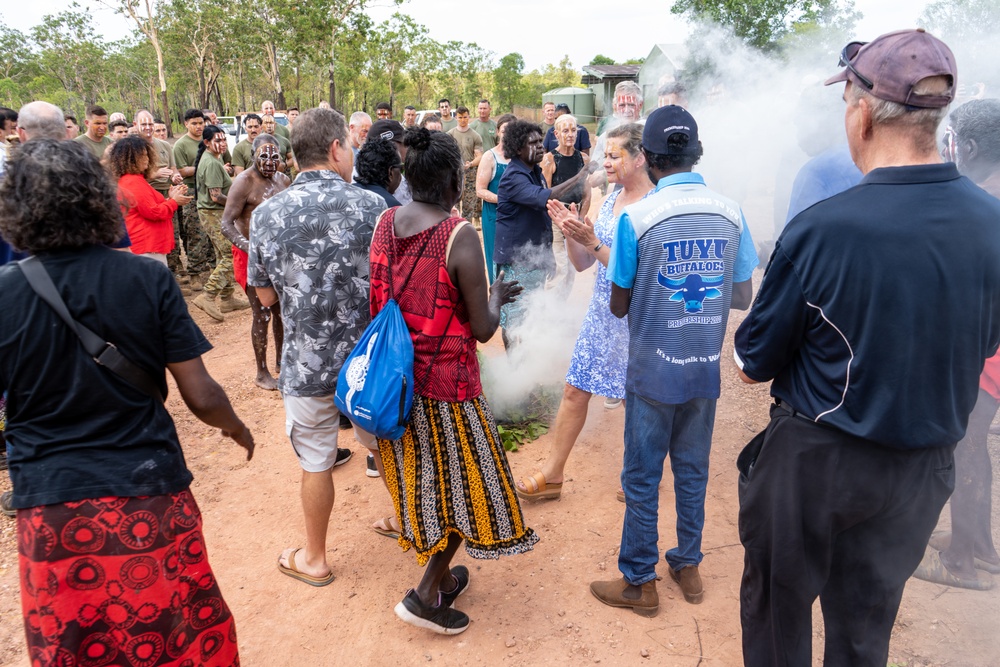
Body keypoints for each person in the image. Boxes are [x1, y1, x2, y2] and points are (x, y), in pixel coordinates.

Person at [733, 30, 1000, 665]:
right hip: (923, 467)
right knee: (864, 632)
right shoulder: (992, 224)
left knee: (777, 622)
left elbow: (751, 363)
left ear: (859, 111)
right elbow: (982, 341)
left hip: (820, 465)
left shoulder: (824, 230)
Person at [0, 138, 254, 665]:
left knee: (77, 647)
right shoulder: (147, 277)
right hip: (149, 492)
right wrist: (235, 427)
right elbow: (200, 392)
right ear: (99, 197)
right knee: (178, 633)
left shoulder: (5, 292)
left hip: (51, 505)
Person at [591, 105, 757, 616]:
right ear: (697, 153)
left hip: (651, 368)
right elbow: (742, 295)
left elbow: (619, 304)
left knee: (641, 475)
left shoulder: (635, 218)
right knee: (693, 470)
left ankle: (639, 582)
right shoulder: (730, 212)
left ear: (648, 157)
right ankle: (687, 563)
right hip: (702, 365)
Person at [370, 127, 538, 635]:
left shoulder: (383, 221)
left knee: (427, 488)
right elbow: (484, 329)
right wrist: (496, 298)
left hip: (395, 388)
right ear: (450, 179)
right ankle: (424, 596)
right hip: (447, 390)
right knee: (467, 490)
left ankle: (438, 580)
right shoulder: (458, 235)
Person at [247, 107, 383, 587]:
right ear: (335, 149)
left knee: (316, 460)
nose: (352, 153)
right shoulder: (373, 208)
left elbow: (264, 297)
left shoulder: (265, 215)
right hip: (370, 364)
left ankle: (315, 559)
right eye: (350, 144)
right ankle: (407, 524)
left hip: (306, 364)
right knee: (385, 448)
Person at [516, 122, 652, 501]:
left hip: (636, 319)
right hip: (602, 314)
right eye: (604, 155)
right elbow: (582, 265)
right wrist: (575, 234)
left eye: (613, 155)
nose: (604, 162)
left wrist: (592, 242)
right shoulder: (610, 199)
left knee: (635, 400)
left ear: (640, 158)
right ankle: (553, 474)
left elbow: (639, 273)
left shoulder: (653, 207)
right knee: (575, 390)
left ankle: (639, 477)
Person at [912, 97, 1000, 590]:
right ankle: (981, 545)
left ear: (964, 147)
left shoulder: (984, 202)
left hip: (990, 344)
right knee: (976, 440)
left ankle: (962, 560)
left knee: (966, 440)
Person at [494, 120, 592, 347]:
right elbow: (546, 197)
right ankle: (512, 371)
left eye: (541, 141)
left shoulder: (534, 171)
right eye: (533, 143)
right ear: (518, 148)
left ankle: (526, 368)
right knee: (515, 318)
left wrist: (547, 258)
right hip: (517, 261)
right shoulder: (513, 177)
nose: (540, 146)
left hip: (534, 257)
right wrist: (580, 176)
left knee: (531, 314)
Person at [220, 134, 290, 391]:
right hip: (249, 256)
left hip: (278, 257)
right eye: (264, 156)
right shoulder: (243, 182)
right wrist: (251, 247)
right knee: (261, 314)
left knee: (282, 311)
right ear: (253, 157)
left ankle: (283, 363)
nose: (270, 162)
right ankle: (262, 372)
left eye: (275, 157)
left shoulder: (284, 180)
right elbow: (226, 224)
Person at [193, 124, 246, 321]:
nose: (223, 143)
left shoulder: (214, 159)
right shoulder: (212, 163)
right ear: (207, 143)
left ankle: (227, 298)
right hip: (213, 213)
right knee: (230, 256)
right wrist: (238, 203)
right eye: (218, 140)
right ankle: (207, 295)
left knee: (221, 254)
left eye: (224, 139)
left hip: (212, 213)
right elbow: (215, 196)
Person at [110, 136, 191, 264]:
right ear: (131, 159)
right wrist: (174, 201)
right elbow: (153, 212)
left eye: (147, 155)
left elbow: (148, 206)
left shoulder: (134, 180)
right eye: (142, 156)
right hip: (146, 249)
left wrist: (170, 198)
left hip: (146, 247)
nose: (147, 159)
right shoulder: (133, 182)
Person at [540, 113, 591, 297]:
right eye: (565, 131)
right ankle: (550, 308)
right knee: (560, 263)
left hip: (575, 214)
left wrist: (580, 218)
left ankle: (562, 307)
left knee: (571, 265)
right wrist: (553, 218)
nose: (570, 134)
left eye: (573, 130)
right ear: (556, 134)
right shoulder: (549, 159)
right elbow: (544, 193)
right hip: (555, 216)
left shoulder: (583, 159)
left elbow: (587, 192)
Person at [172, 109, 217, 290]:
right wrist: (204, 166)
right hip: (192, 189)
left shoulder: (210, 139)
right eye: (194, 123)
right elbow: (182, 171)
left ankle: (215, 268)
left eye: (201, 123)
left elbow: (222, 160)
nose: (199, 127)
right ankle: (195, 273)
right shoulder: (181, 145)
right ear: (186, 124)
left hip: (212, 187)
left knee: (213, 229)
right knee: (194, 232)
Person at [475, 113, 515, 283]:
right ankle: (496, 301)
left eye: (512, 130)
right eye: (504, 130)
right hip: (494, 217)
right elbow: (480, 190)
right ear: (498, 132)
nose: (507, 134)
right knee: (496, 261)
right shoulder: (489, 157)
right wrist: (503, 199)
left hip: (516, 218)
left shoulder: (520, 157)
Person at [447, 106, 483, 223]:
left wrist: (471, 163)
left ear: (469, 117)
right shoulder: (450, 135)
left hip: (470, 173)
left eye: (465, 117)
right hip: (454, 173)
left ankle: (467, 227)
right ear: (456, 118)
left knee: (469, 205)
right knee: (454, 203)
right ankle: (454, 227)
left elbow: (479, 155)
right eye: (460, 117)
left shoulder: (475, 136)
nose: (463, 120)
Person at [353, 136, 403, 207]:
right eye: (401, 169)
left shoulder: (344, 193)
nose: (401, 176)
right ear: (391, 173)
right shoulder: (392, 208)